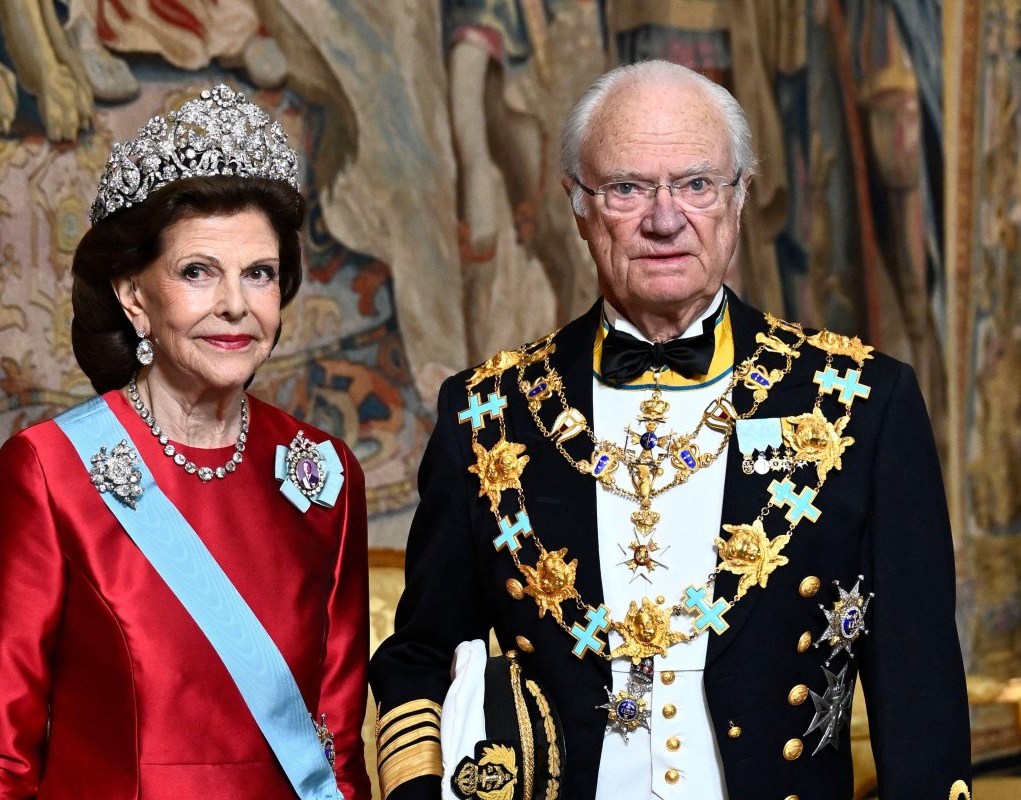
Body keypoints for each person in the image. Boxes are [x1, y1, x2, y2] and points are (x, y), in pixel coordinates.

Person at [369, 61, 971, 800]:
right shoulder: (487, 414)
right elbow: (422, 654)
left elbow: (919, 688)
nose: (664, 218)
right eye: (626, 187)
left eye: (696, 184)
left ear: (740, 197)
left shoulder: (863, 402)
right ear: (578, 206)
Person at [0, 84, 371, 800]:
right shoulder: (50, 473)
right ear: (134, 294)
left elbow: (338, 754)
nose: (236, 304)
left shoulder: (323, 474)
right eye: (197, 272)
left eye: (260, 274)